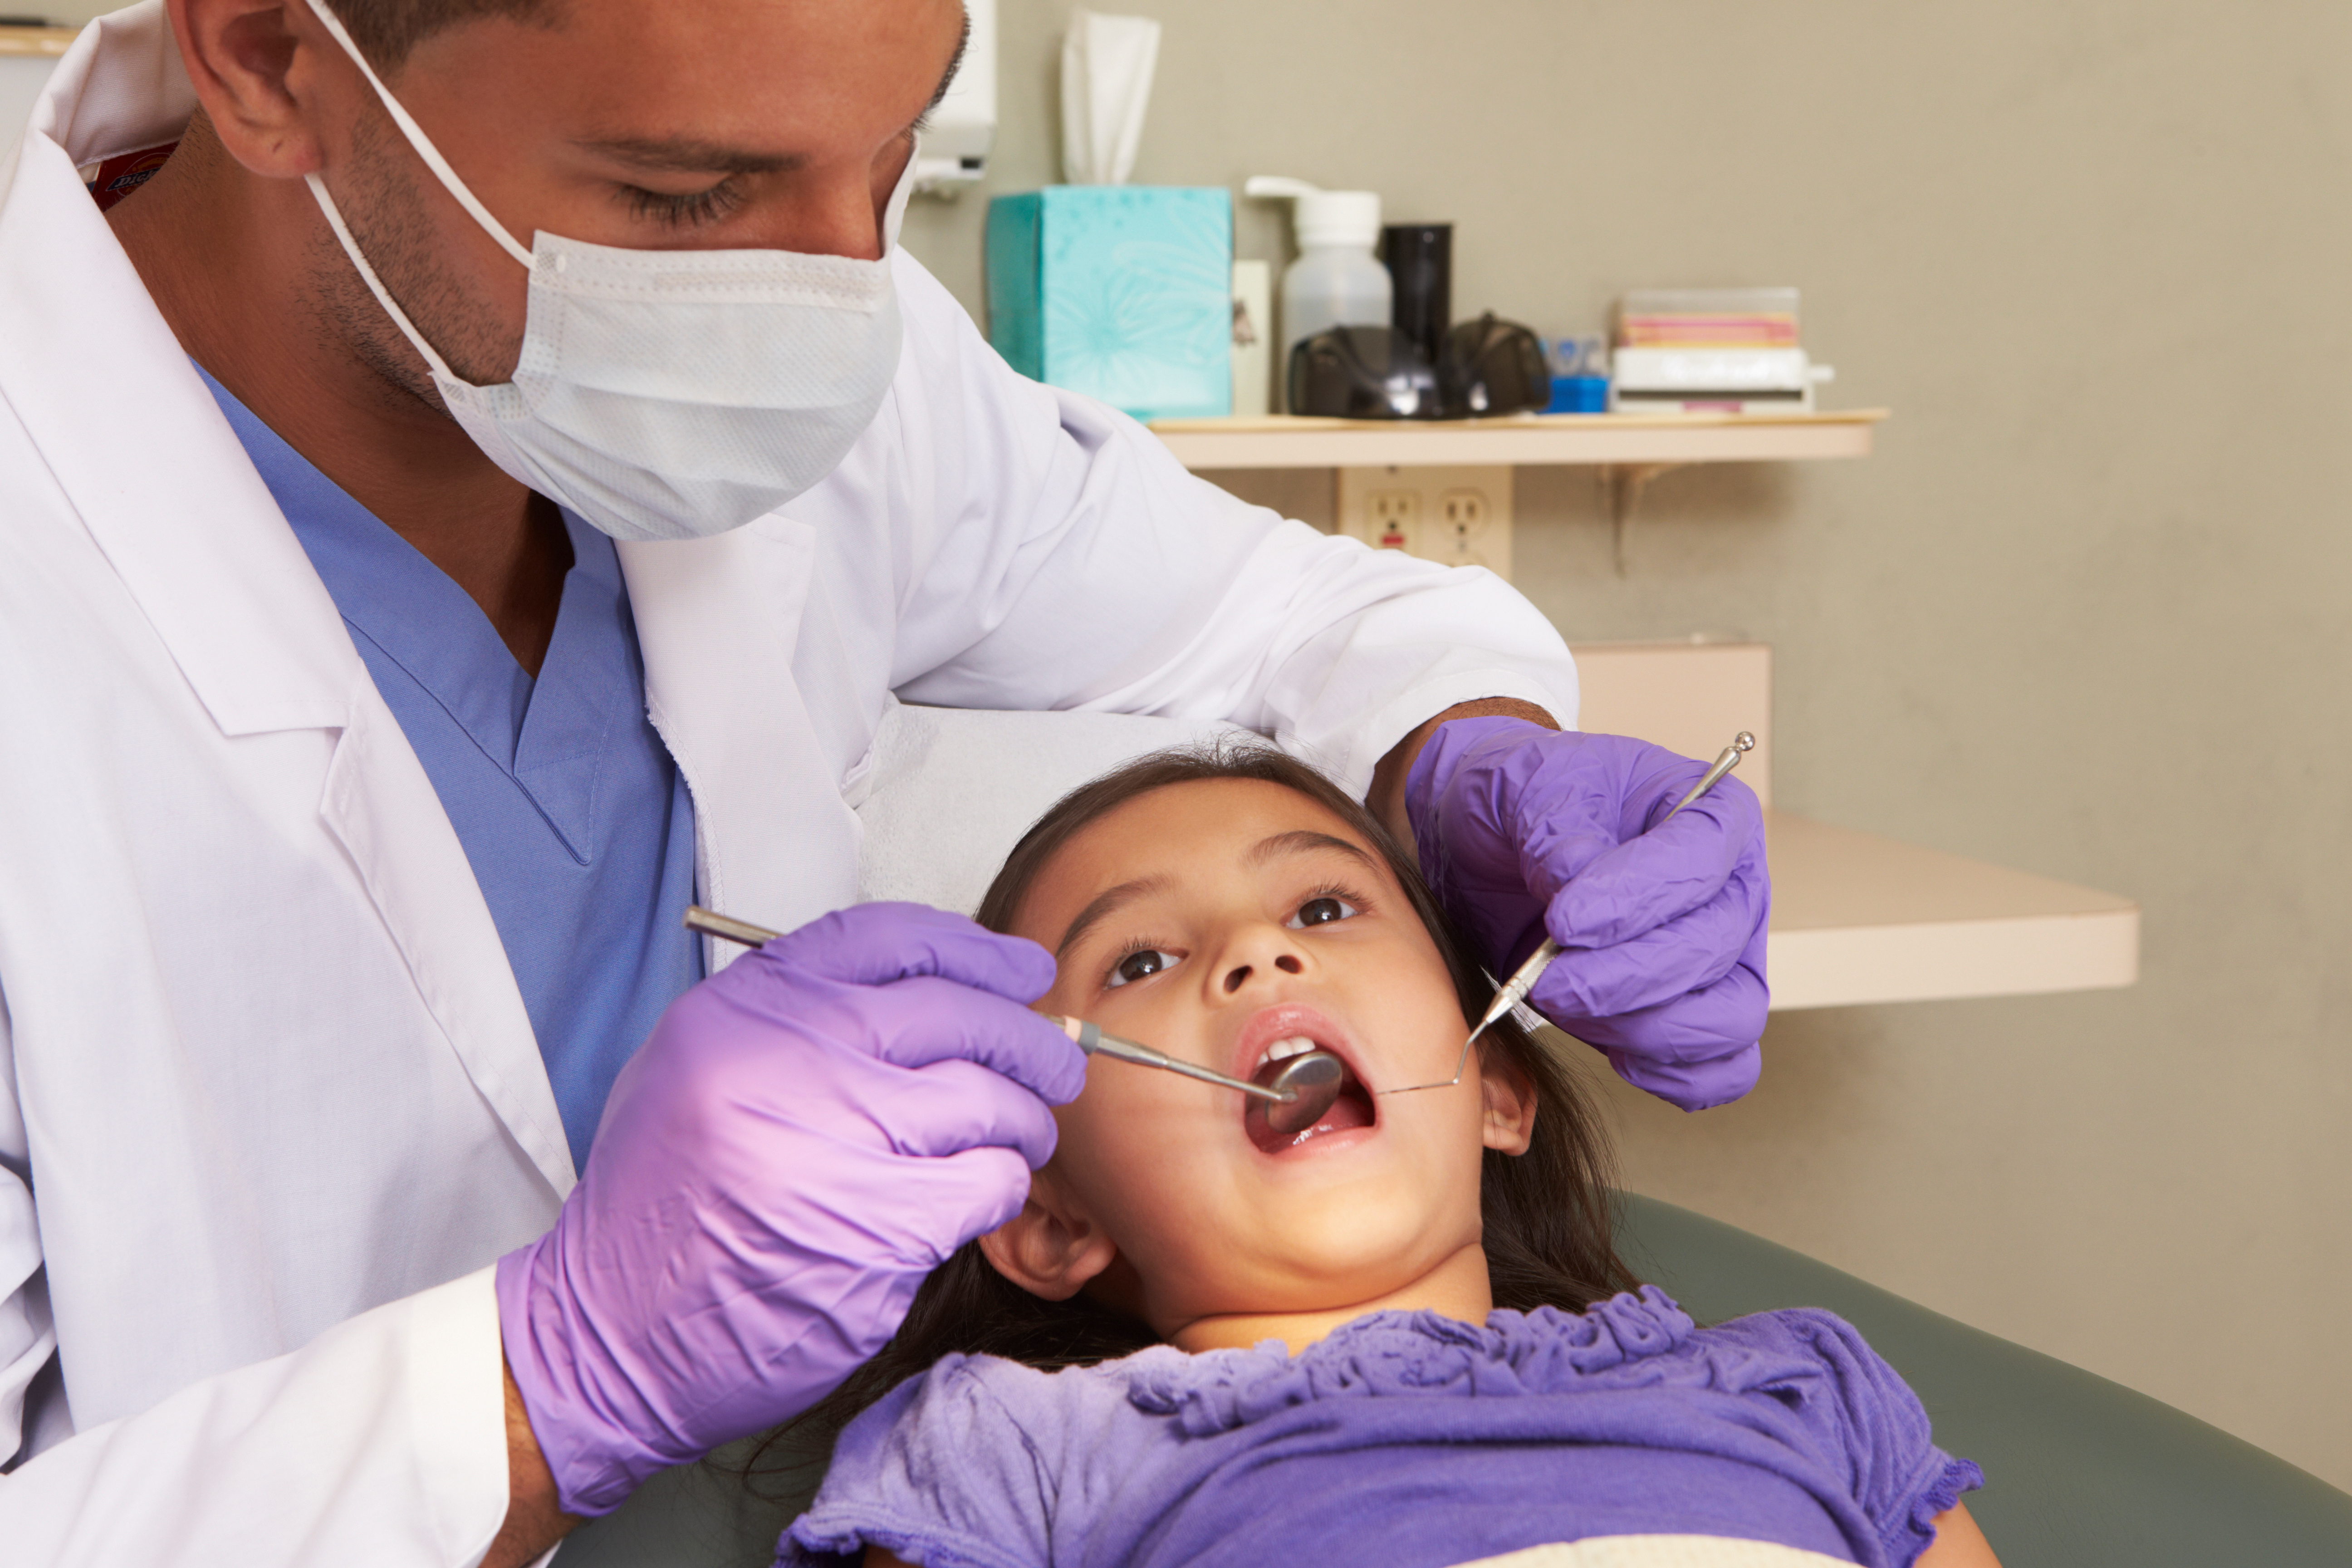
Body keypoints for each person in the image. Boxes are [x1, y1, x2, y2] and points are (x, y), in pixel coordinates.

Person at [0, 2, 1768, 1563]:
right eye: (686, 197)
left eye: (898, 157)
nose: (837, 294)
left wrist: (1460, 756)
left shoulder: (804, 335)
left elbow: (1295, 617)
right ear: (268, 56)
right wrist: (555, 1384)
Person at [776, 745, 1989, 1568]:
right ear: (1048, 1221)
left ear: (1497, 1092)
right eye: (1139, 962)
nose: (1257, 956)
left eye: (1321, 908)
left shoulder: (1806, 1390)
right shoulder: (1012, 1451)